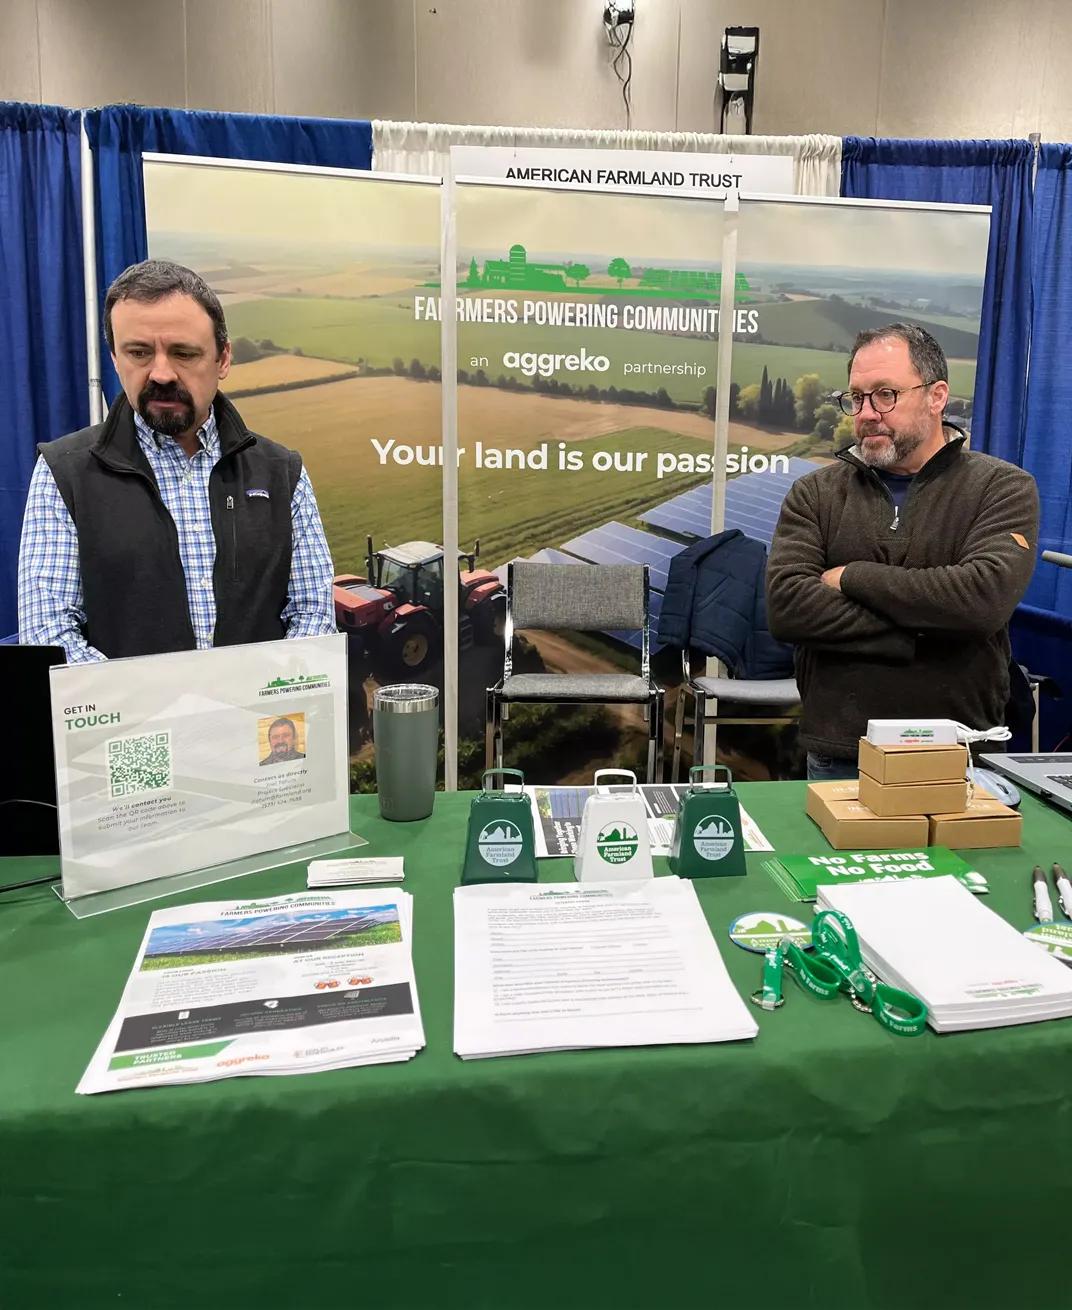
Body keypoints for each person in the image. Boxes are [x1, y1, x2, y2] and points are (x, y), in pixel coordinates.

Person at [17, 260, 337, 662]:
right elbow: (50, 634)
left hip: (256, 723)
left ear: (222, 360)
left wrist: (250, 699)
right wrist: (163, 713)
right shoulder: (64, 474)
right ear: (115, 358)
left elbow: (313, 614)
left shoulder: (281, 472)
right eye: (139, 352)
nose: (162, 373)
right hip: (129, 724)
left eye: (184, 353)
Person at [766, 322, 1039, 781]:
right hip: (841, 754)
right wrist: (922, 629)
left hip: (961, 755)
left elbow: (981, 602)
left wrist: (851, 576)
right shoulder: (815, 493)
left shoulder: (1002, 488)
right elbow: (788, 607)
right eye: (856, 397)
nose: (868, 413)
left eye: (885, 394)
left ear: (936, 397)